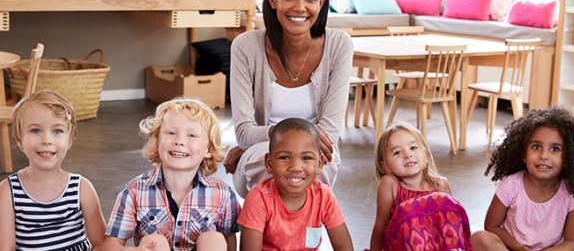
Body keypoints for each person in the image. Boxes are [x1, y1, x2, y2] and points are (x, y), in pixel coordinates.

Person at [225, 0, 353, 198]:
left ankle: (292, 232)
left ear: (322, 2)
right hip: (263, 154)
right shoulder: (245, 46)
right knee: (266, 162)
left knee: (313, 162)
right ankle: (281, 232)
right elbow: (243, 133)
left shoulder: (339, 44)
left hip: (314, 155)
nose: (300, 7)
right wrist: (268, 143)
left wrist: (269, 140)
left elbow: (330, 134)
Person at [102, 97, 240, 251]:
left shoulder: (223, 194)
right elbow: (111, 245)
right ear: (157, 141)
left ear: (208, 149)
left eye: (191, 135)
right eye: (171, 133)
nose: (179, 141)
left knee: (214, 238)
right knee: (155, 241)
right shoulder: (134, 191)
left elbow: (230, 242)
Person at [470, 107, 574, 251]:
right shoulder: (511, 185)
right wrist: (518, 247)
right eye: (536, 147)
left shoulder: (573, 194)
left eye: (555, 149)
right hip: (510, 249)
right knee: (479, 237)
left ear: (569, 158)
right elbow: (491, 226)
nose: (544, 155)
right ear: (523, 154)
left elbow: (573, 243)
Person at [0, 90, 106, 250]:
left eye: (57, 131)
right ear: (20, 140)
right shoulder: (8, 191)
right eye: (35, 130)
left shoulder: (82, 188)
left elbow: (101, 244)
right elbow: (5, 248)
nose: (46, 140)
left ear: (70, 140)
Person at [237, 118, 353, 250]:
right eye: (284, 157)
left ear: (319, 164)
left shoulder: (323, 196)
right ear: (269, 163)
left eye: (306, 158)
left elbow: (343, 246)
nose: (296, 167)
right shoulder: (258, 199)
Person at [370, 122, 472, 251]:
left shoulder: (440, 185)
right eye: (397, 152)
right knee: (408, 210)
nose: (407, 155)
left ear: (426, 154)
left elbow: (450, 225)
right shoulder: (390, 184)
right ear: (385, 165)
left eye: (413, 148)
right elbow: (380, 228)